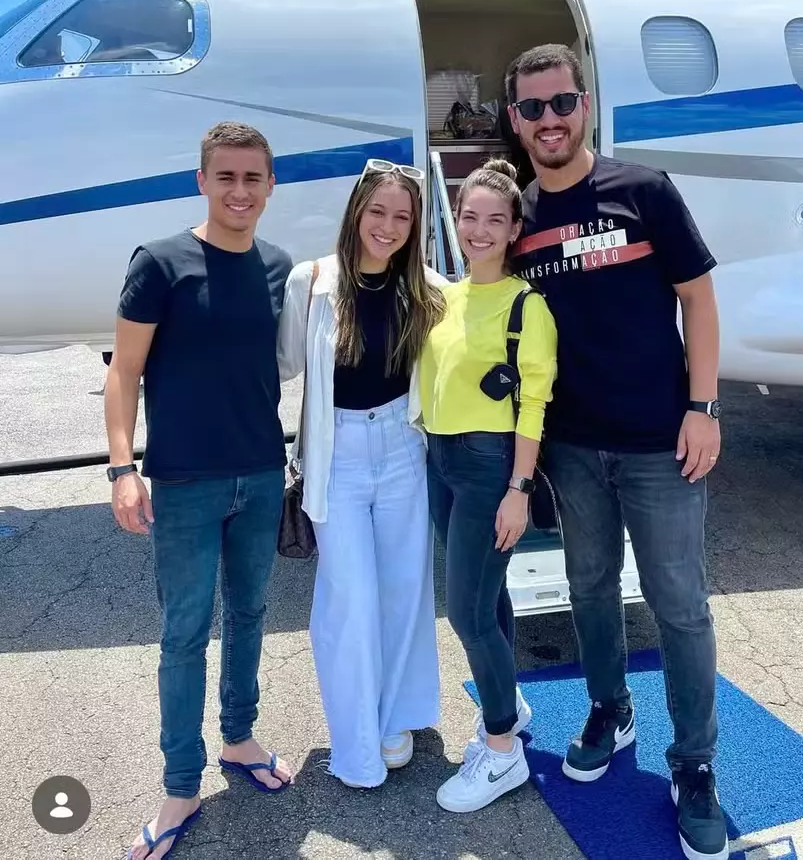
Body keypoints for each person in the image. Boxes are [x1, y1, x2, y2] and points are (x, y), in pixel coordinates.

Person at [504, 43, 727, 860]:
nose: (549, 120)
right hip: (571, 445)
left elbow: (698, 299)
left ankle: (694, 763)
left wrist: (704, 405)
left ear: (585, 104)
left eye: (561, 103)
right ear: (515, 120)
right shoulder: (519, 216)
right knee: (588, 588)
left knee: (679, 607)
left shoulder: (644, 190)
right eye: (532, 109)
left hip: (660, 442)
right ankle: (610, 706)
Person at [104, 122, 294, 860]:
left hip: (259, 474)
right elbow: (123, 372)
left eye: (253, 178)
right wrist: (123, 470)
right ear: (202, 182)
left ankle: (239, 738)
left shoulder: (278, 267)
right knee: (185, 635)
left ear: (271, 185)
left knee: (249, 615)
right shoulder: (160, 263)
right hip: (183, 482)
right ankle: (180, 783)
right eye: (226, 177)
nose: (240, 191)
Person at [277, 157, 448, 789]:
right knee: (347, 597)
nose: (388, 225)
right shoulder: (311, 280)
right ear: (355, 212)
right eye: (377, 211)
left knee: (405, 588)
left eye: (402, 215)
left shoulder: (425, 288)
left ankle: (395, 716)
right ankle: (355, 745)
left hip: (403, 444)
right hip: (339, 454)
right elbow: (281, 367)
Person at [418, 158, 558, 813]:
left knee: (467, 612)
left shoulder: (526, 306)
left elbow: (534, 404)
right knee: (487, 594)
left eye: (493, 220)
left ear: (513, 229)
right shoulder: (443, 295)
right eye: (469, 216)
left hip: (488, 467)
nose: (478, 229)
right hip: (438, 459)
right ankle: (514, 705)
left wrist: (519, 488)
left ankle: (502, 751)